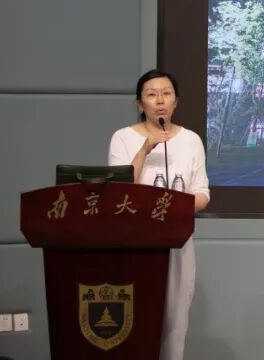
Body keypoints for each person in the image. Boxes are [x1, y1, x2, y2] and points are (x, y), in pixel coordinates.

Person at [108, 69, 209, 360]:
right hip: (135, 243)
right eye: (152, 95)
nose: (160, 101)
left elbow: (202, 194)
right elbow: (118, 191)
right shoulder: (122, 138)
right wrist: (143, 151)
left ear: (176, 101)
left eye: (166, 94)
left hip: (178, 243)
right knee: (136, 317)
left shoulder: (191, 140)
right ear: (140, 104)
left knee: (175, 320)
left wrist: (172, 207)